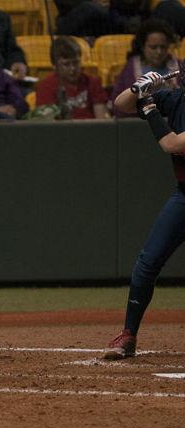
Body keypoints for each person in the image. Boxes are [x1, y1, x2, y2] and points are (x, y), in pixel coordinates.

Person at [103, 69, 185, 359]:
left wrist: (149, 108)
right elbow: (121, 104)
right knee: (147, 262)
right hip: (184, 196)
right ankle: (128, 335)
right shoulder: (176, 99)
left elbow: (172, 144)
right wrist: (140, 88)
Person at [111, 19, 179, 117]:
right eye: (153, 47)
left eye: (163, 47)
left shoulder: (179, 67)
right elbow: (118, 106)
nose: (159, 52)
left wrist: (175, 91)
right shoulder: (130, 69)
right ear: (143, 46)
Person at [35, 36, 109, 120]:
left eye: (76, 63)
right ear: (54, 66)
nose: (72, 68)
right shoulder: (45, 87)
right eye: (66, 64)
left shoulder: (92, 82)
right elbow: (48, 124)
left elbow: (101, 120)